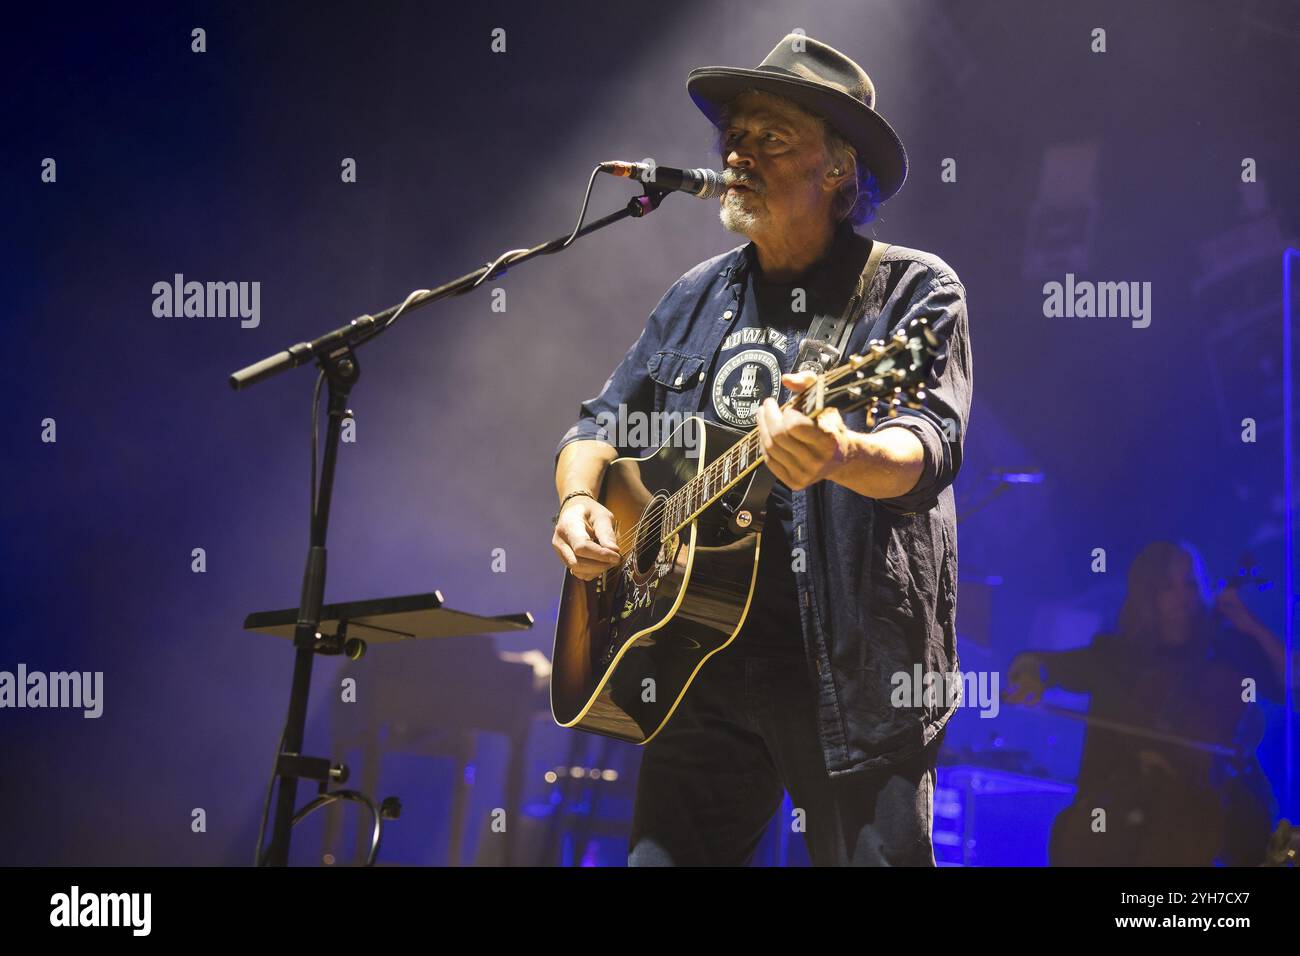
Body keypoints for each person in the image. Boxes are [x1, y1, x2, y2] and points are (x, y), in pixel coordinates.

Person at [551, 34, 973, 865]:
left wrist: (838, 454)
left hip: (848, 672)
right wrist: (575, 504)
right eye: (734, 135)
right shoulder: (698, 293)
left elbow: (926, 448)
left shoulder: (912, 290)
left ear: (840, 170)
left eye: (771, 136)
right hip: (692, 661)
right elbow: (596, 428)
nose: (738, 151)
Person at [1005, 540, 1291, 866]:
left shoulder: (1228, 650)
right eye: (1168, 587)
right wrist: (1029, 675)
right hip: (1123, 807)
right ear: (1146, 593)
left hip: (1211, 807)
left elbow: (1290, 683)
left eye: (1190, 585)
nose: (1183, 598)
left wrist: (1252, 626)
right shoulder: (1115, 656)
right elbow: (1038, 662)